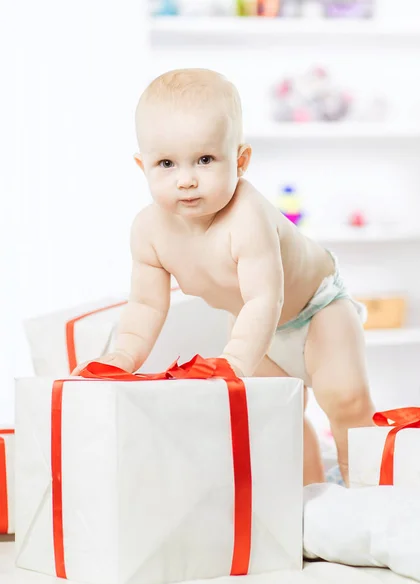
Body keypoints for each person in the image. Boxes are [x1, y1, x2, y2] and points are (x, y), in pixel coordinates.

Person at [73, 68, 375, 485]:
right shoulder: (148, 231)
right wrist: (123, 357)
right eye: (166, 163)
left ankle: (366, 490)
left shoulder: (246, 216)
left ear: (240, 160)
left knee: (346, 400)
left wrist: (233, 362)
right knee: (277, 413)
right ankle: (309, 499)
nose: (187, 179)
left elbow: (264, 299)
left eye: (205, 159)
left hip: (315, 310)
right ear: (143, 167)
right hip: (253, 327)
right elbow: (145, 305)